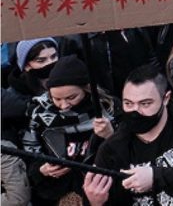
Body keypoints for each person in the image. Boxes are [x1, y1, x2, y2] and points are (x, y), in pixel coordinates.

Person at [82, 65, 173, 206]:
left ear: (166, 98)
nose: (135, 111)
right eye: (128, 103)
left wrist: (156, 177)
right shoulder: (112, 148)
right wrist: (96, 202)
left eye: (145, 104)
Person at [23, 56, 117, 206]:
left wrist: (110, 136)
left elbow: (129, 155)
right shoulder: (39, 116)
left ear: (86, 90)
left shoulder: (108, 111)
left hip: (104, 192)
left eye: (71, 97)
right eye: (56, 99)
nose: (64, 105)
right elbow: (30, 159)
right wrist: (42, 170)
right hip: (56, 193)